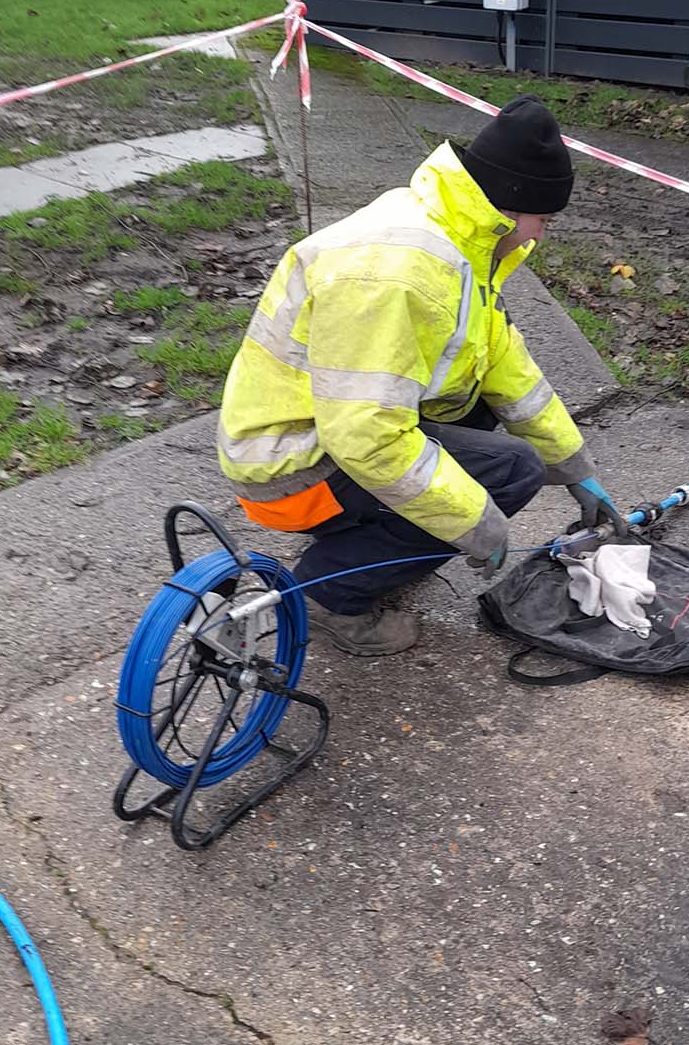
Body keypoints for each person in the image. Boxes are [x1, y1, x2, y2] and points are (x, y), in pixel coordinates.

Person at [217, 95, 626, 655]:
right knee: (511, 472)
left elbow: (508, 370)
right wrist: (475, 524)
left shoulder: (453, 233)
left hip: (319, 428)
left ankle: (376, 545)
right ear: (510, 206)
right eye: (543, 220)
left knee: (479, 412)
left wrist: (576, 469)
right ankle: (327, 597)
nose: (540, 235)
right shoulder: (402, 273)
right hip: (288, 467)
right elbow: (366, 435)